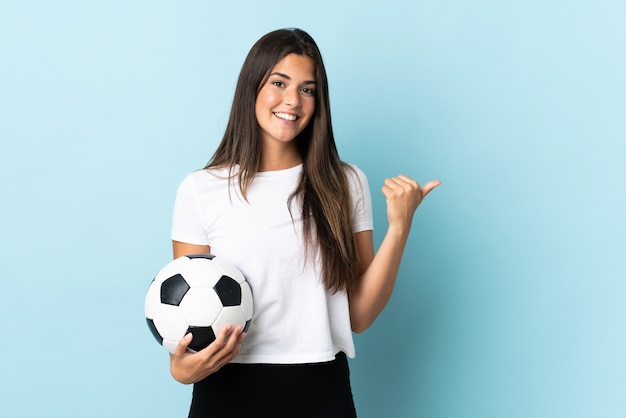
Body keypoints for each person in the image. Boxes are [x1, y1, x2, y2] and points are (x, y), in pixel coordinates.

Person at [168, 28, 440, 418]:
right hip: (227, 389)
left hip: (322, 389)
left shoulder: (345, 183)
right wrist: (181, 369)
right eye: (279, 83)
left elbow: (359, 316)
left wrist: (399, 228)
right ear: (252, 88)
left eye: (308, 89)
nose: (292, 101)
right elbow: (187, 322)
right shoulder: (201, 189)